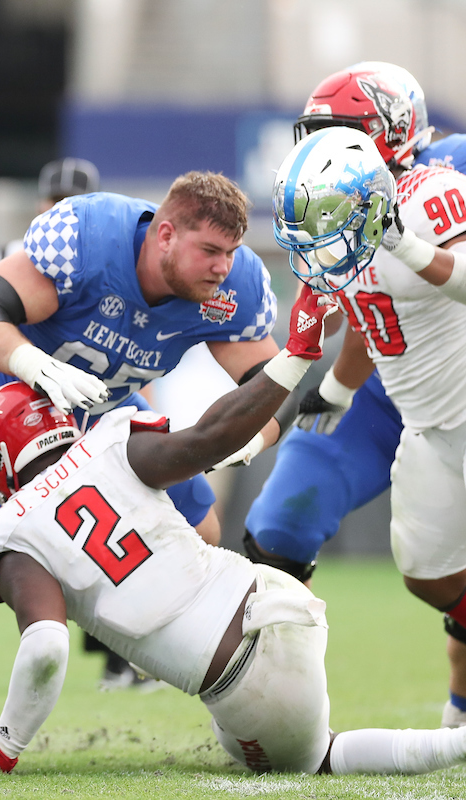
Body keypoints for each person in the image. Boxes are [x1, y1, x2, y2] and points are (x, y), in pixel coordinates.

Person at [0, 170, 286, 769]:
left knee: (201, 533)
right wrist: (33, 362)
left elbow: (269, 384)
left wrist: (251, 440)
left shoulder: (232, 286)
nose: (223, 267)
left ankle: (208, 691)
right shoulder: (89, 235)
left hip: (104, 406)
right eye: (210, 251)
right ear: (165, 235)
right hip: (8, 392)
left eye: (230, 253)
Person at [0, 284, 466, 776]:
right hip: (274, 597)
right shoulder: (110, 440)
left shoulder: (7, 533)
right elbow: (210, 436)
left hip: (241, 680)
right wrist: (295, 354)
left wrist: (4, 746)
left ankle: (457, 742)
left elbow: (45, 648)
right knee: (247, 740)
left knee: (316, 759)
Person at [246, 63, 466, 728]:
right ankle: (285, 713)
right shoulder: (342, 212)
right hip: (417, 412)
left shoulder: (433, 191)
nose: (320, 149)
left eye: (336, 132)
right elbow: (369, 317)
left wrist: (403, 238)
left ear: (385, 133)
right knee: (427, 574)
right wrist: (334, 391)